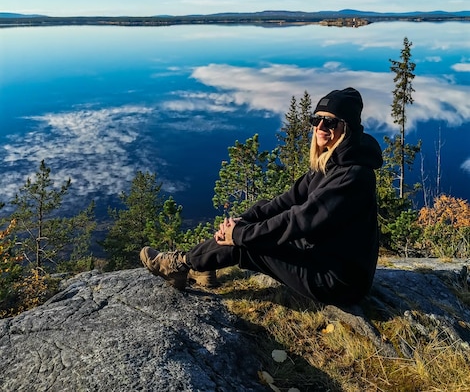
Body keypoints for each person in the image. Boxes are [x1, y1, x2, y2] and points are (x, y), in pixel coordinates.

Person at [140, 87, 383, 305]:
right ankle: (202, 266)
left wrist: (240, 235)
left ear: (347, 127)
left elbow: (299, 220)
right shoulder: (331, 162)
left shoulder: (353, 176)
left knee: (249, 245)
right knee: (254, 223)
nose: (319, 128)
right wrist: (242, 221)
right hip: (321, 254)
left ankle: (179, 265)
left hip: (337, 281)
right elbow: (288, 201)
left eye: (329, 122)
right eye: (316, 120)